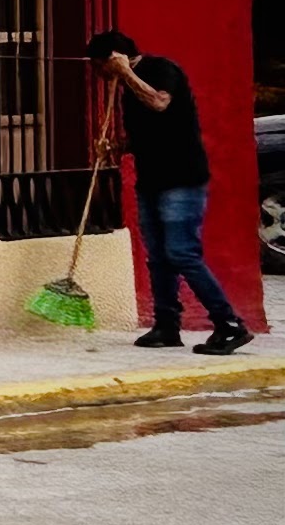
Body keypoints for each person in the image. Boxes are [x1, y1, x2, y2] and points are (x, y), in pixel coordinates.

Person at [88, 29, 248, 356]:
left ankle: (229, 324)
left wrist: (125, 73)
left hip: (182, 178)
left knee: (181, 253)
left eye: (97, 66)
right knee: (158, 257)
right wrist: (116, 147)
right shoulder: (126, 87)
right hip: (152, 180)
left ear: (112, 59)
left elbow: (159, 102)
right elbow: (149, 133)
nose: (98, 75)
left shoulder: (162, 69)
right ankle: (166, 326)